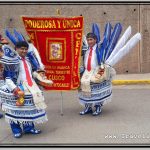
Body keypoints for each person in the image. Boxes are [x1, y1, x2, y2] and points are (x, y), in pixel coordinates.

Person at [0, 41, 48, 138]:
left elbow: (30, 73)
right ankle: (16, 130)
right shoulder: (12, 60)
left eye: (25, 49)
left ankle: (28, 128)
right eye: (21, 49)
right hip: (16, 87)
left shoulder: (28, 60)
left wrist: (39, 76)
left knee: (29, 109)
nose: (24, 51)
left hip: (30, 87)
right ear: (16, 49)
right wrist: (15, 89)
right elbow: (8, 78)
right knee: (15, 110)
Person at [78, 32, 114, 116]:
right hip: (87, 72)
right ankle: (88, 107)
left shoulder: (100, 49)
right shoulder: (85, 49)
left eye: (91, 39)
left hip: (96, 71)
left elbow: (103, 61)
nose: (89, 41)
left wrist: (101, 71)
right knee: (85, 89)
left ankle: (98, 107)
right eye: (88, 40)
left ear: (95, 40)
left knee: (96, 91)